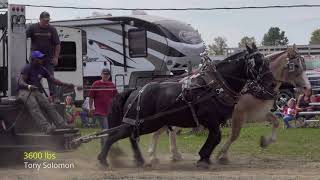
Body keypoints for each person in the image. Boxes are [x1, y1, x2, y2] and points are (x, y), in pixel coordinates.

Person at [17, 51, 74, 134]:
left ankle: (61, 124)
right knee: (34, 107)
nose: (42, 60)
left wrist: (66, 84)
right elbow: (20, 82)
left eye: (42, 58)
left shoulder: (42, 69)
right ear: (33, 60)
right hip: (24, 91)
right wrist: (29, 86)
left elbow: (53, 80)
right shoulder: (27, 68)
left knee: (48, 106)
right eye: (39, 58)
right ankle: (46, 127)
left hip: (35, 90)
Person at [26, 11, 61, 101]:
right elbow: (21, 37)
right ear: (40, 19)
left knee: (50, 77)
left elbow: (57, 44)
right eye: (45, 20)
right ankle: (36, 95)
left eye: (48, 20)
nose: (47, 22)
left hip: (48, 58)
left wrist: (56, 57)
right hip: (35, 59)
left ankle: (54, 97)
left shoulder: (52, 29)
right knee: (34, 77)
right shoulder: (33, 27)